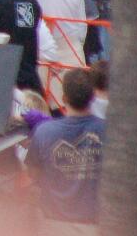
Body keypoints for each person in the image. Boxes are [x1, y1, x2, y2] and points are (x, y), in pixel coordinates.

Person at [26, 69, 105, 231]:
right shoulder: (108, 130)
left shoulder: (44, 132)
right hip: (95, 225)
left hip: (53, 224)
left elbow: (32, 174)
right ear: (92, 98)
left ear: (64, 98)